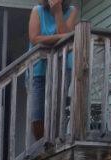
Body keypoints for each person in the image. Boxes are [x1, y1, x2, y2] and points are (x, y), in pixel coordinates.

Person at [28, 0, 79, 140]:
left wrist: (57, 12)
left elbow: (67, 38)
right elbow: (34, 39)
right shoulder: (37, 11)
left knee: (56, 110)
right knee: (37, 114)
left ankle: (55, 142)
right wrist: (59, 37)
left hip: (62, 69)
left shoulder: (72, 11)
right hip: (38, 70)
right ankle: (41, 146)